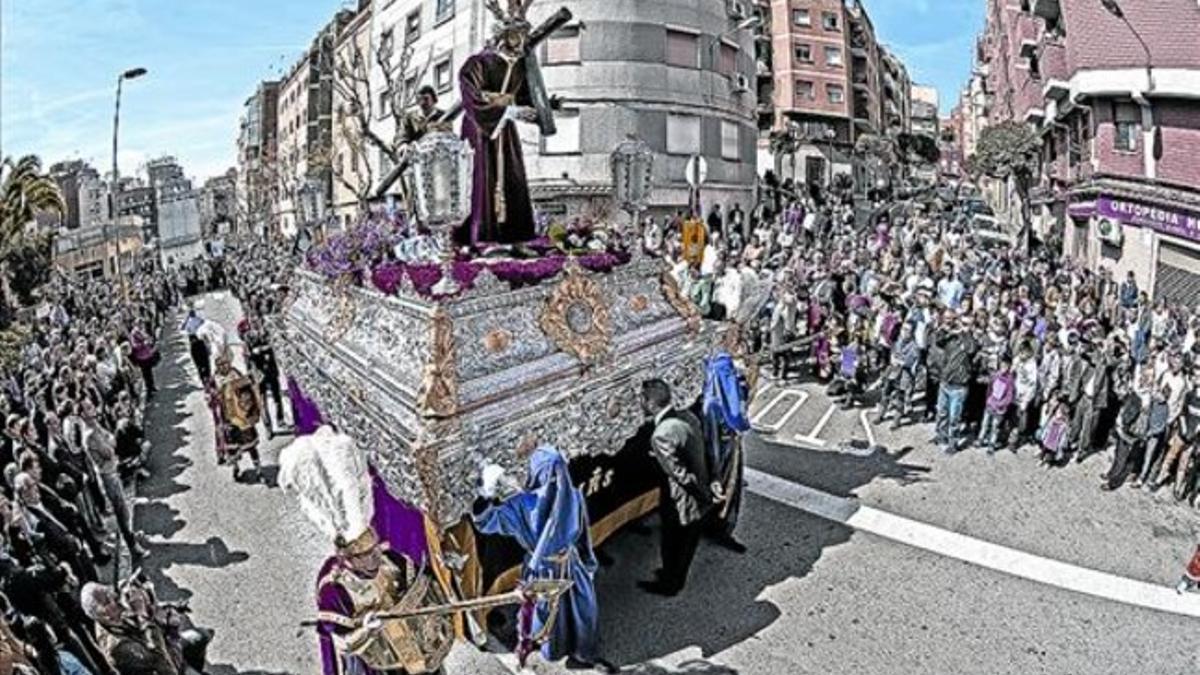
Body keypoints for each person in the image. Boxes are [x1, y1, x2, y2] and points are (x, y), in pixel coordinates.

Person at [279, 427, 454, 675]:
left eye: (374, 550)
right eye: (363, 555)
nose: (374, 558)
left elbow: (428, 589)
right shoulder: (333, 585)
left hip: (418, 656)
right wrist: (366, 630)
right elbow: (340, 642)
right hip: (377, 665)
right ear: (345, 557)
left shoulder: (392, 560)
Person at [474, 447, 616, 673]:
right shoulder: (565, 497)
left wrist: (486, 493)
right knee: (566, 612)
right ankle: (566, 649)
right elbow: (583, 535)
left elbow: (487, 521)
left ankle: (577, 651)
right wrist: (588, 562)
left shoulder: (524, 503)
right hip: (562, 567)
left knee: (566, 611)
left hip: (554, 568)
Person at [456, 0, 552, 247]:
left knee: (512, 176)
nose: (520, 41)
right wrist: (505, 110)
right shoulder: (477, 63)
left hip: (505, 129)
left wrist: (547, 107)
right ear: (502, 35)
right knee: (484, 178)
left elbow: (523, 99)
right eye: (515, 35)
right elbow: (472, 96)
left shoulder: (518, 68)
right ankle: (483, 237)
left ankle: (515, 237)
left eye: (522, 35)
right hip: (481, 127)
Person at [639, 379, 714, 597]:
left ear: (651, 404)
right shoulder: (688, 416)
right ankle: (675, 576)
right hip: (700, 491)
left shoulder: (661, 435)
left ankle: (670, 584)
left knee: (673, 544)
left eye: (642, 400)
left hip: (683, 501)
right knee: (687, 545)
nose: (640, 404)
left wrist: (704, 496)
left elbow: (680, 475)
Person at [701, 351, 751, 553]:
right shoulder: (713, 403)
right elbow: (713, 441)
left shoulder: (724, 385)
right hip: (722, 452)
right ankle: (719, 528)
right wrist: (715, 472)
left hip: (727, 446)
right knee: (725, 491)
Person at [212, 356, 264, 482]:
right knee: (233, 448)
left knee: (251, 445)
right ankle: (236, 468)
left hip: (242, 416)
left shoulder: (236, 373)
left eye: (226, 363)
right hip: (228, 419)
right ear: (217, 367)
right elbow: (210, 398)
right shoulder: (215, 380)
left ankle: (258, 470)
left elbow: (247, 389)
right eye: (221, 365)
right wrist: (218, 395)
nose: (225, 366)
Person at [977, 355, 1014, 454]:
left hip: (999, 409)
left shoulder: (1009, 380)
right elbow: (989, 388)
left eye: (1006, 366)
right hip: (990, 404)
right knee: (984, 423)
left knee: (995, 426)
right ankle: (981, 438)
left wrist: (1002, 404)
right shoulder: (995, 376)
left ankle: (991, 444)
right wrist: (988, 400)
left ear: (1009, 367)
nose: (1003, 368)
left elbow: (1009, 397)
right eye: (1002, 366)